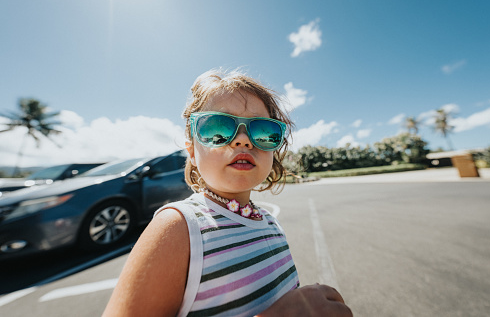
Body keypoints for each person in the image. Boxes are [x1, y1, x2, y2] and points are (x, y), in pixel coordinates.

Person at [103, 69, 352, 317]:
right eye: (217, 127)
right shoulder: (179, 228)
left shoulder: (270, 222)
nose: (243, 140)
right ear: (191, 150)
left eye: (263, 131)